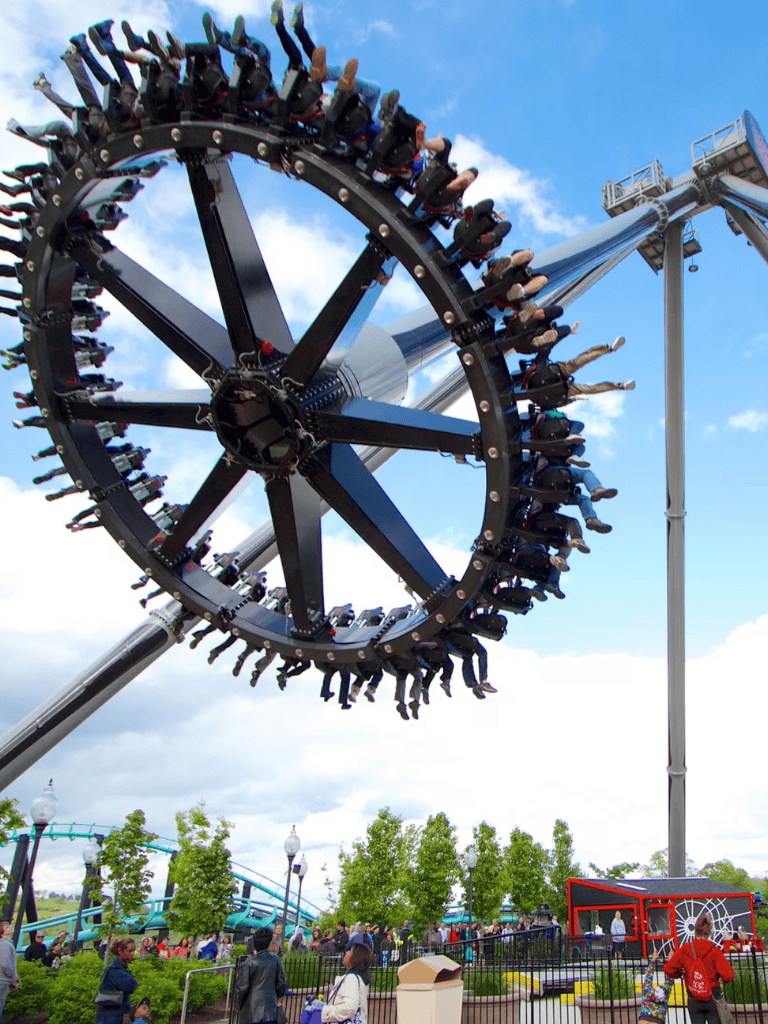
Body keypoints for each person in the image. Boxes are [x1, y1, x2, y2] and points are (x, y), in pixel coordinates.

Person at [664, 912, 734, 1024]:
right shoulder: (714, 950)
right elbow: (728, 976)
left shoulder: (686, 949)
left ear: (695, 931)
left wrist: (681, 973)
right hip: (712, 997)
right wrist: (718, 977)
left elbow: (668, 969)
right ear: (709, 932)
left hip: (694, 997)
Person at [236, 927, 287, 1024]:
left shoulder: (249, 964)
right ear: (268, 943)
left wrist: (240, 1005)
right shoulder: (276, 961)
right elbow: (282, 984)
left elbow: (242, 988)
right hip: (271, 1011)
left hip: (251, 1011)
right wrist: (275, 996)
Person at [95, 937, 146, 1024]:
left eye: (134, 950)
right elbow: (130, 986)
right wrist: (134, 982)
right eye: (130, 951)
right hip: (110, 1016)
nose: (132, 954)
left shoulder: (121, 967)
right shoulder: (115, 968)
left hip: (115, 1014)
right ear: (120, 951)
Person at [321, 941, 373, 1024]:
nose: (346, 952)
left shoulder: (351, 978)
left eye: (350, 951)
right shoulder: (357, 978)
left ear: (355, 958)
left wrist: (325, 1011)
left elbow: (350, 1008)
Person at [640, 948, 673, 1024]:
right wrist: (670, 961)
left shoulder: (647, 992)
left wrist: (653, 960)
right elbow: (669, 979)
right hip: (657, 1020)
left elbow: (648, 978)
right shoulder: (665, 994)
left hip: (644, 1018)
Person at [0, 921, 19, 1023]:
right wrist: (13, 978)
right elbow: (6, 964)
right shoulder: (5, 944)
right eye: (7, 927)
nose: (10, 927)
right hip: (3, 981)